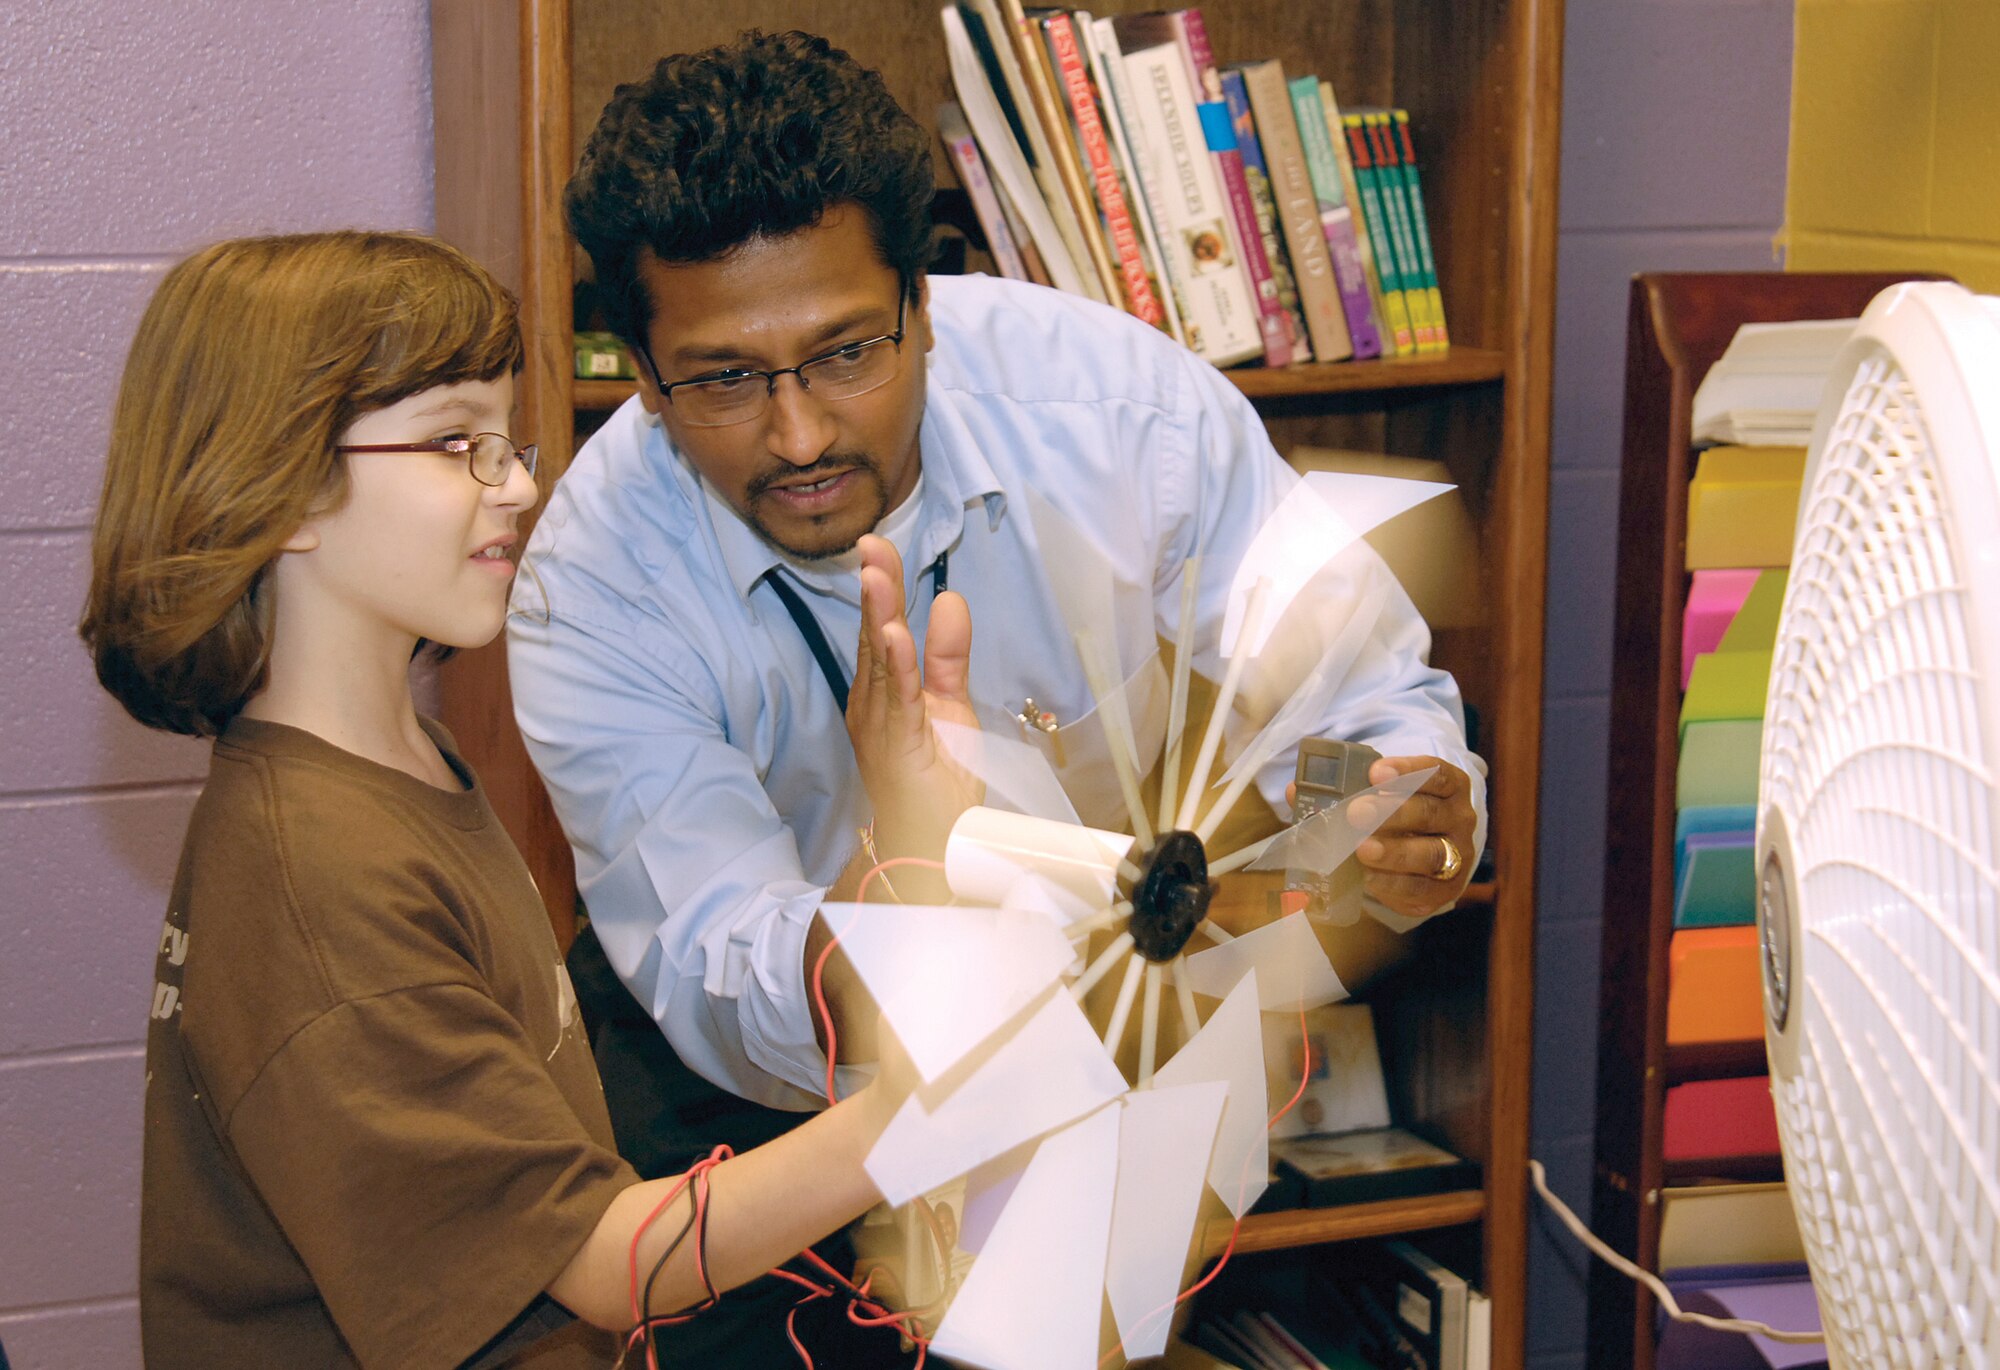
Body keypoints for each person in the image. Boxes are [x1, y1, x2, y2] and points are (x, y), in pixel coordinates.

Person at [514, 23, 1481, 1196]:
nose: (799, 435)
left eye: (846, 353)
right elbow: (720, 961)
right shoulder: (592, 581)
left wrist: (1376, 816)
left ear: (922, 305)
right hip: (755, 1094)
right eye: (722, 377)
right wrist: (923, 905)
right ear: (642, 374)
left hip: (1091, 1012)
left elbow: (1347, 688)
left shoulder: (1122, 416)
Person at [79, 231, 915, 1369]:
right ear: (285, 486)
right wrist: (924, 1105)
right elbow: (607, 1259)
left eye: (505, 440)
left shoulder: (400, 768)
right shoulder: (318, 875)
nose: (518, 484)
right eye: (452, 444)